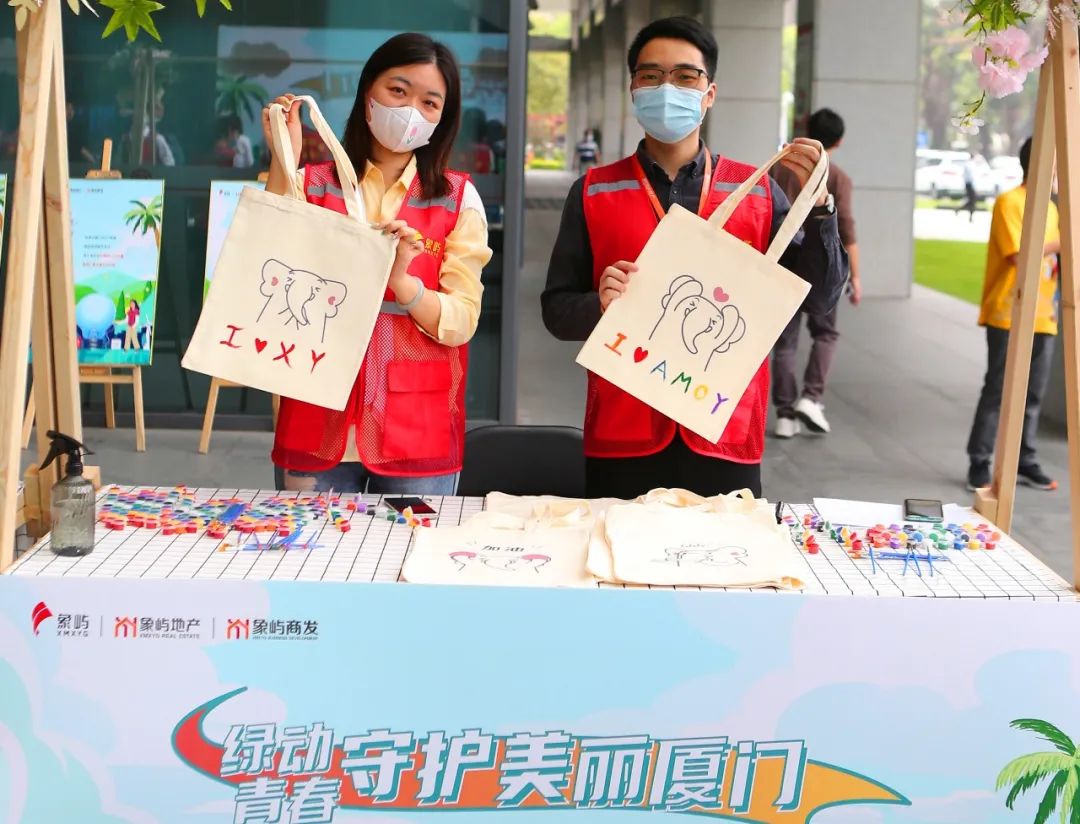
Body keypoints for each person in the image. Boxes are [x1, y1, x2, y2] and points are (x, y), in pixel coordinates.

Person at [541, 16, 847, 500]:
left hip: (723, 432)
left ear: (709, 94)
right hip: (624, 433)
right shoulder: (595, 191)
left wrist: (821, 207)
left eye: (686, 76)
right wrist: (597, 303)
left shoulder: (758, 193)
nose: (668, 88)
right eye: (651, 76)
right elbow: (556, 311)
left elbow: (822, 298)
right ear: (633, 89)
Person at [264, 33, 492, 495]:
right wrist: (282, 160)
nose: (411, 111)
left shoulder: (458, 199)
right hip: (316, 414)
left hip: (415, 427)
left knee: (411, 545)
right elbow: (264, 264)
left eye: (429, 103)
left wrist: (403, 284)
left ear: (442, 117)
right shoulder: (312, 184)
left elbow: (463, 320)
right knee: (308, 544)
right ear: (368, 91)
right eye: (398, 90)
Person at [966, 137, 1060, 492]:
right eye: (1055, 165)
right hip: (1007, 313)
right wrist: (1066, 239)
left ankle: (1025, 460)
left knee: (1033, 394)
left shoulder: (1052, 210)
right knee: (998, 389)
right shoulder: (1010, 202)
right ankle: (980, 461)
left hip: (1043, 315)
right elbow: (1019, 256)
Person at [770, 108, 859, 438]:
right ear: (839, 141)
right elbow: (846, 229)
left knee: (785, 342)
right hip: (822, 265)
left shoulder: (779, 167)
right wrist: (856, 276)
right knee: (825, 333)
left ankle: (784, 414)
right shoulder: (838, 177)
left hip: (782, 264)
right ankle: (811, 397)